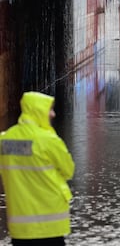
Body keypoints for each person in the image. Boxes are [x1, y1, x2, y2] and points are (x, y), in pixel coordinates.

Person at [0, 91, 75, 246]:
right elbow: (68, 171)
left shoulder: (5, 140)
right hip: (50, 224)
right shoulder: (48, 140)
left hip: (20, 228)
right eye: (50, 109)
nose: (53, 114)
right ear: (38, 111)